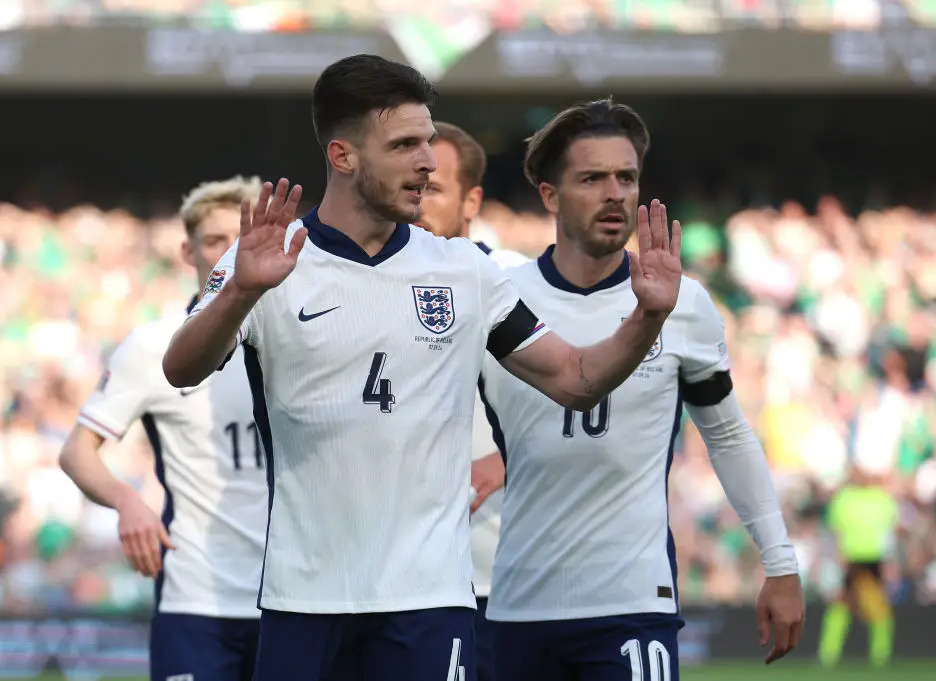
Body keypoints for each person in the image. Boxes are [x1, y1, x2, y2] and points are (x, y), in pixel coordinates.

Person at [162, 55, 683, 681]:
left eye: (429, 141)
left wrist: (646, 318)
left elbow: (574, 379)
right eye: (405, 144)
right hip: (303, 600)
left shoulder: (465, 270)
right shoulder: (272, 260)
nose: (428, 161)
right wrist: (241, 292)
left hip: (429, 606)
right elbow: (181, 368)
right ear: (344, 156)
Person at [476, 99, 807, 681]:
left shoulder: (686, 303)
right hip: (515, 604)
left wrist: (780, 563)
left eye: (626, 178)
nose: (615, 193)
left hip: (633, 605)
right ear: (550, 196)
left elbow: (727, 434)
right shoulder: (498, 298)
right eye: (592, 178)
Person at [59, 177, 269, 681]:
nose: (228, 252)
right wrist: (128, 501)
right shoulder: (155, 347)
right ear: (186, 250)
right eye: (214, 241)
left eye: (239, 237)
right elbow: (77, 452)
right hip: (195, 596)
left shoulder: (296, 336)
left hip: (292, 595)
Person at [419, 120, 526, 681]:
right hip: (409, 581)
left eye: (433, 188)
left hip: (503, 576)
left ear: (472, 200)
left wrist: (510, 456)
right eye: (412, 185)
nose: (417, 202)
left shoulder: (515, 281)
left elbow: (591, 398)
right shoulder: (369, 281)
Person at [818, 464, 900, 669]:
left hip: (874, 560)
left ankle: (880, 655)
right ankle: (828, 654)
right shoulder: (843, 498)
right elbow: (835, 531)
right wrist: (837, 558)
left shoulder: (882, 498)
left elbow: (890, 533)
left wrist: (890, 562)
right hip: (850, 560)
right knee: (841, 606)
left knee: (878, 610)